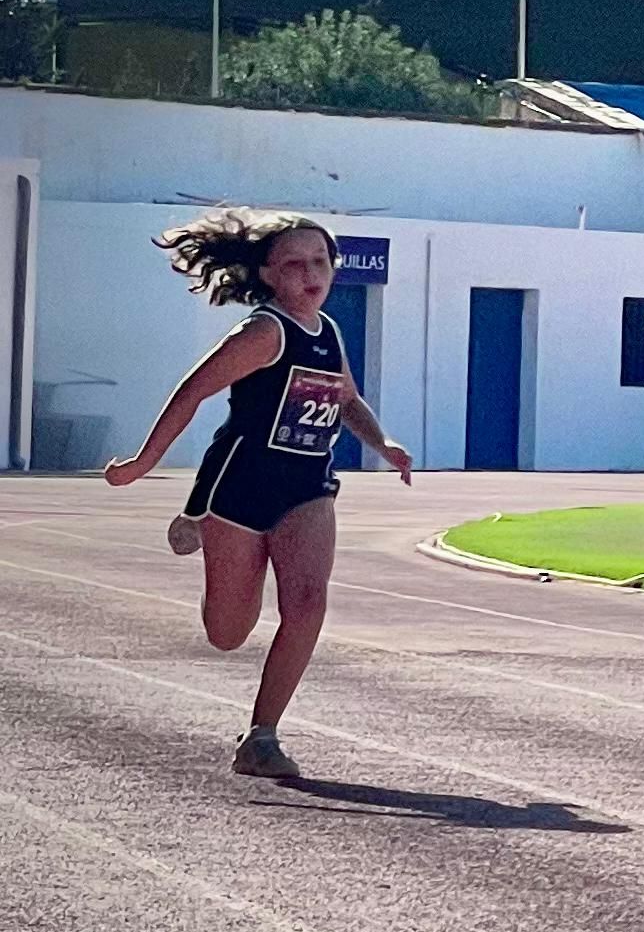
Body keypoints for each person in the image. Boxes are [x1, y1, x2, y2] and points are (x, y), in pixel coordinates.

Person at [105, 207, 414, 778]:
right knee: (228, 633)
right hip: (240, 488)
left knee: (308, 603)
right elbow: (193, 391)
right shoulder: (264, 331)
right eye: (294, 263)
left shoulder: (330, 331)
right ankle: (199, 523)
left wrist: (383, 442)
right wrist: (143, 464)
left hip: (307, 488)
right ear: (268, 275)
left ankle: (261, 737)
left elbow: (345, 399)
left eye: (320, 260)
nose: (310, 272)